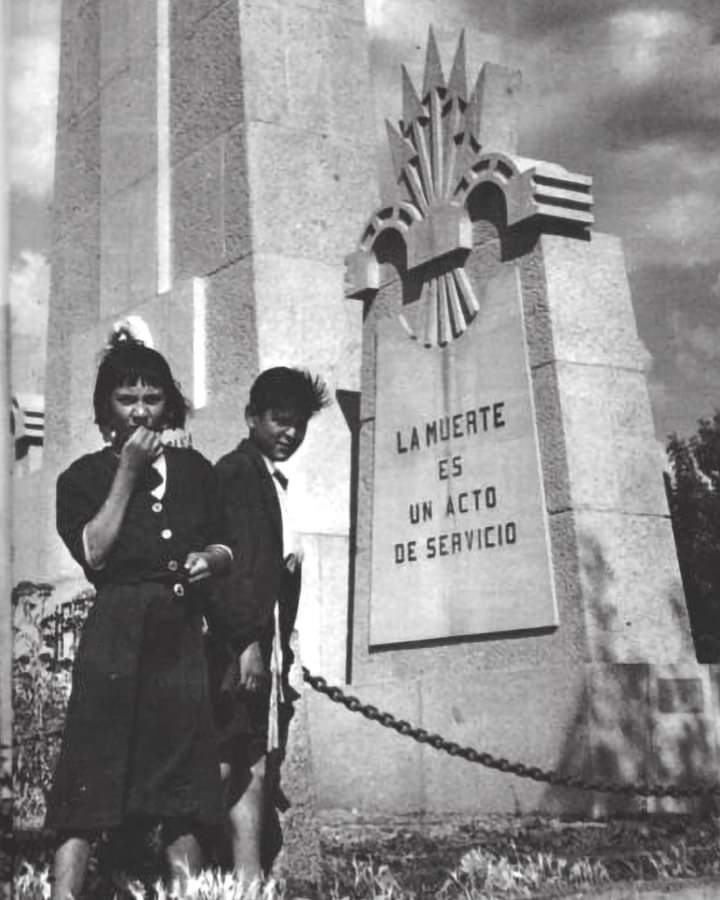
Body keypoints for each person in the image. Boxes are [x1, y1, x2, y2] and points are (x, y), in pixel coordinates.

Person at [46, 329, 232, 899]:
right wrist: (127, 471)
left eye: (151, 397)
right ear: (107, 408)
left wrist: (210, 560)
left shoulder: (197, 469)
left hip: (178, 639)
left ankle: (186, 893)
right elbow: (95, 553)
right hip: (116, 637)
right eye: (127, 398)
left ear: (166, 405)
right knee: (89, 773)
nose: (141, 409)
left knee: (181, 783)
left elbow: (227, 544)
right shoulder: (81, 477)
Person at [206, 366, 329, 881]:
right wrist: (247, 644)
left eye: (298, 424)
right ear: (252, 417)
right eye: (280, 420)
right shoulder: (237, 474)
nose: (290, 433)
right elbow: (234, 571)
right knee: (225, 757)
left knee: (251, 757)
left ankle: (247, 877)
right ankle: (186, 865)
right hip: (239, 646)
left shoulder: (272, 480)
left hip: (264, 646)